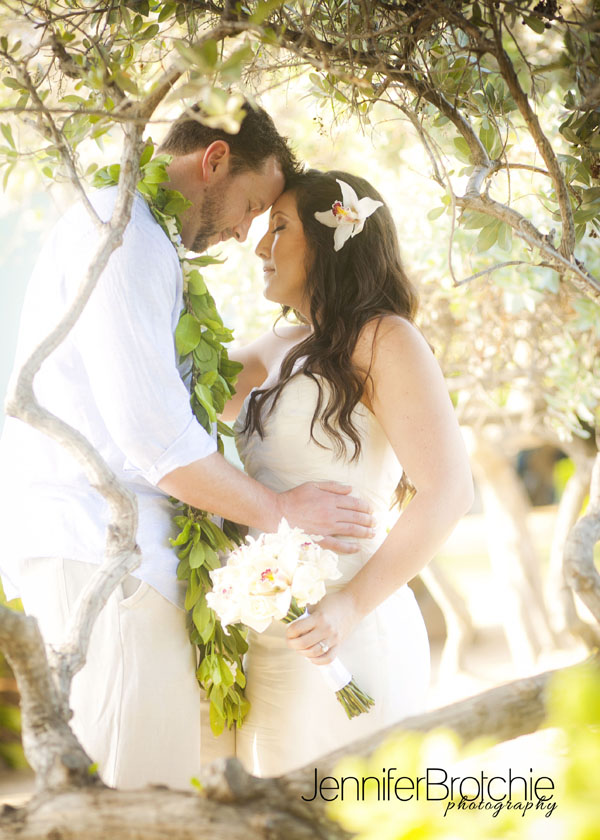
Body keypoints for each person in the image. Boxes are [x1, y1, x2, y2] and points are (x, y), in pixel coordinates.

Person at [0, 107, 375, 790]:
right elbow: (155, 436)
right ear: (214, 160)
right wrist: (279, 511)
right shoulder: (126, 235)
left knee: (146, 784)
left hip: (119, 554)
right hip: (109, 551)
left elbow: (193, 398)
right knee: (132, 797)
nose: (244, 234)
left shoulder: (139, 235)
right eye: (252, 207)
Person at [223, 170, 475, 777]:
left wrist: (346, 609)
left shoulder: (386, 339)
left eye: (279, 227)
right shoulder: (273, 347)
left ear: (331, 239)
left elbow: (449, 491)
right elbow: (173, 391)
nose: (261, 246)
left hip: (350, 631)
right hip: (268, 637)